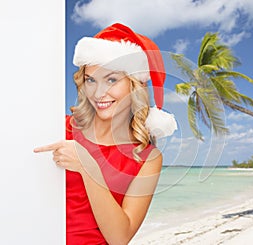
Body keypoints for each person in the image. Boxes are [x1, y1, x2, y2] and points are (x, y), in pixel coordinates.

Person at [34, 23, 177, 245]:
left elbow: (120, 238)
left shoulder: (148, 158)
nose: (98, 92)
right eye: (91, 79)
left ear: (134, 85)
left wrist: (88, 167)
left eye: (111, 80)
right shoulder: (59, 128)